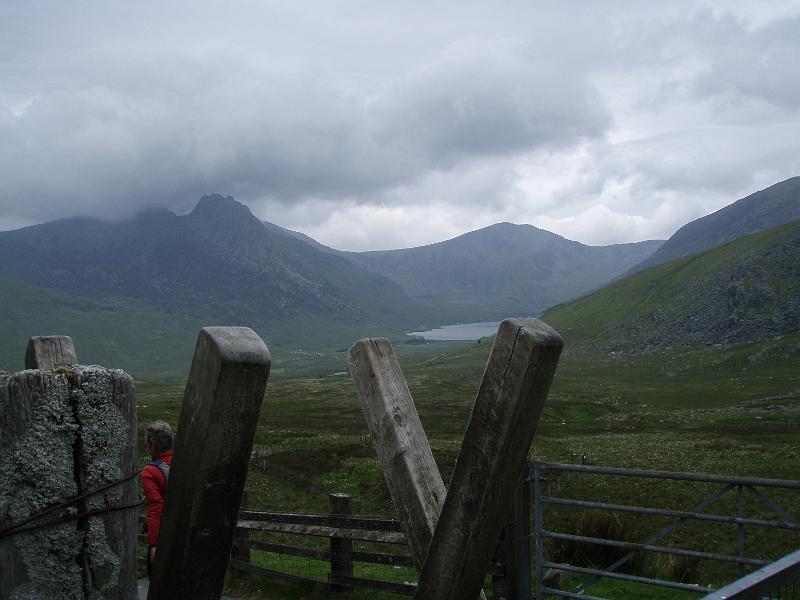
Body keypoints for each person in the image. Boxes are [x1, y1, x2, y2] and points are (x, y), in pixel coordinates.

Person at [141, 420, 174, 579]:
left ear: (152, 445)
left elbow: (156, 507)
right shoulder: (183, 461)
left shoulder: (151, 471)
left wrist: (154, 544)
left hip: (166, 536)